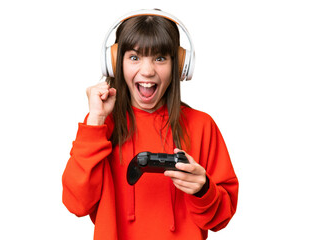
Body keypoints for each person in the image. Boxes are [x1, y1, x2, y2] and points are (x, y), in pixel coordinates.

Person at [62, 9, 238, 240]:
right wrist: (95, 120)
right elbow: (77, 204)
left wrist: (203, 189)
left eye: (160, 58)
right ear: (115, 63)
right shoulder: (101, 125)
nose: (147, 70)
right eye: (134, 57)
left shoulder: (202, 125)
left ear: (179, 65)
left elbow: (221, 218)